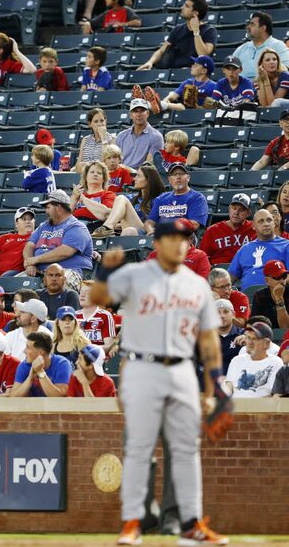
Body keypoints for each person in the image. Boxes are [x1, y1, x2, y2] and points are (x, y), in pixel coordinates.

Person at [90, 219, 228, 545]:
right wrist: (104, 273)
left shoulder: (196, 285)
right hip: (142, 366)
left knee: (186, 450)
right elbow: (97, 297)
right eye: (173, 238)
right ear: (157, 242)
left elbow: (208, 340)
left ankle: (191, 523)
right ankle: (132, 523)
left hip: (182, 369)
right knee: (139, 448)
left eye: (186, 238)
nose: (181, 243)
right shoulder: (135, 275)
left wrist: (213, 387)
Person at [23, 190, 94, 277]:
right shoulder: (43, 226)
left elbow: (65, 251)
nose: (46, 212)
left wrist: (36, 259)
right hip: (39, 271)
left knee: (60, 283)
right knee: (17, 286)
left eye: (48, 207)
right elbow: (29, 245)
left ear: (59, 208)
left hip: (69, 270)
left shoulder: (76, 227)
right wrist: (30, 264)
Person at [138, 0, 215, 71]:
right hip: (173, 71)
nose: (182, 8)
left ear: (195, 13)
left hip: (194, 73)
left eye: (186, 6)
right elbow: (162, 51)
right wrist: (150, 62)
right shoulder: (178, 29)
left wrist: (196, 32)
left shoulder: (209, 30)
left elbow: (204, 55)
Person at [229, 209, 289, 290]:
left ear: (274, 223)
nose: (266, 224)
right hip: (247, 297)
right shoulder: (244, 249)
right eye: (261, 221)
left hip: (275, 295)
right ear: (253, 226)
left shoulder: (286, 245)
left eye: (269, 220)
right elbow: (230, 278)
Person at [144, 163, 208, 235]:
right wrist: (151, 230)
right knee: (131, 231)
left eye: (181, 174)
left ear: (188, 177)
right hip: (159, 236)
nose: (178, 177)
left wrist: (168, 230)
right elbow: (150, 221)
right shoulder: (161, 198)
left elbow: (194, 224)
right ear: (169, 180)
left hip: (182, 236)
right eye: (174, 174)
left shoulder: (197, 198)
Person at [224, 321, 282, 398]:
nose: (250, 342)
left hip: (261, 407)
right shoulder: (236, 360)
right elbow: (229, 385)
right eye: (248, 338)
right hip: (236, 406)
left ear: (267, 343)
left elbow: (275, 394)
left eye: (255, 339)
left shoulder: (276, 362)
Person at [199, 193, 255, 265]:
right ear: (229, 209)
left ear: (248, 213)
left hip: (245, 269)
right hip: (218, 270)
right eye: (234, 208)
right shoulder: (212, 230)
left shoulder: (254, 228)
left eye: (241, 210)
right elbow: (202, 257)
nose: (236, 212)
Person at [233, 11, 289, 79]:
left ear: (263, 28)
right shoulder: (241, 49)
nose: (248, 27)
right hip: (243, 88)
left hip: (267, 86)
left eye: (252, 24)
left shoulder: (278, 46)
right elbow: (230, 71)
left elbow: (286, 70)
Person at [115, 99, 164, 170]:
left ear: (148, 113)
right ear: (130, 115)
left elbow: (149, 167)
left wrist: (130, 171)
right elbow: (114, 161)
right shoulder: (121, 136)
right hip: (121, 176)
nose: (139, 114)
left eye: (142, 111)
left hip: (142, 177)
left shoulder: (156, 137)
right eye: (135, 111)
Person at [77, 280, 117, 353]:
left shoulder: (105, 316)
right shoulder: (74, 316)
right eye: (81, 292)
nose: (82, 295)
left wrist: (86, 350)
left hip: (96, 359)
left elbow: (108, 346)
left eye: (87, 293)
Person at [251, 259, 289, 329]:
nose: (281, 281)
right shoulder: (260, 296)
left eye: (284, 276)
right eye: (277, 277)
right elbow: (255, 325)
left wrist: (279, 299)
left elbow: (285, 328)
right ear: (267, 280)